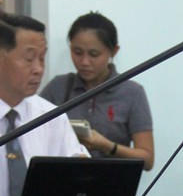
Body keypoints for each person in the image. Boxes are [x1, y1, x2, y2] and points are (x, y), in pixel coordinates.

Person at [0, 12, 88, 196]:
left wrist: (81, 172)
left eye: (42, 58)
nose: (38, 69)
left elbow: (78, 172)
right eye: (29, 59)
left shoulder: (50, 116)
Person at [40, 12, 154, 170]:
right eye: (77, 52)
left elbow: (147, 160)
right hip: (64, 178)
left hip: (113, 180)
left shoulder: (132, 93)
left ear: (114, 51)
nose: (84, 62)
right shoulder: (57, 87)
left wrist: (107, 146)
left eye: (94, 54)